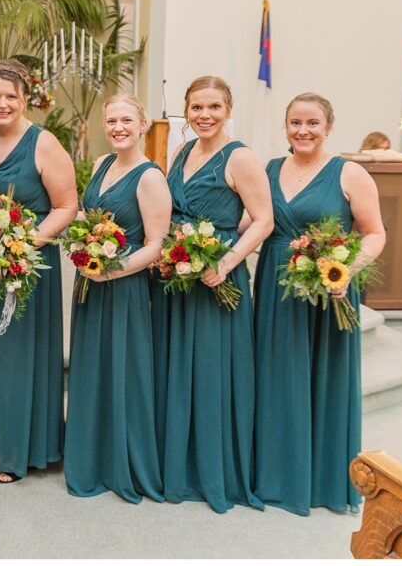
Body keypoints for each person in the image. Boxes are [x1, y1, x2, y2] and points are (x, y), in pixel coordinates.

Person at [252, 93, 385, 515]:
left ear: (328, 126)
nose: (303, 131)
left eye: (312, 123)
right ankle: (274, 476)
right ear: (285, 126)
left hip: (330, 292)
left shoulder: (350, 173)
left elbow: (375, 234)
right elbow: (252, 222)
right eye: (295, 122)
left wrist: (346, 270)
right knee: (275, 378)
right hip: (276, 287)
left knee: (322, 380)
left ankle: (321, 480)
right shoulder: (269, 169)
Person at [159, 76, 273, 514]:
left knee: (210, 372)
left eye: (214, 107)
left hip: (216, 278)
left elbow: (262, 220)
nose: (204, 115)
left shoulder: (240, 157)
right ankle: (177, 466)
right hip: (180, 277)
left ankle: (212, 470)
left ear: (229, 110)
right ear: (186, 111)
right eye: (196, 108)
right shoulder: (183, 151)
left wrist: (223, 262)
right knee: (178, 370)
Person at [0, 59, 77, 484]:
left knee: (16, 358)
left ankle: (14, 452)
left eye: (11, 96)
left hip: (26, 266)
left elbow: (66, 206)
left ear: (25, 99)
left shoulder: (43, 143)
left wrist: (23, 246)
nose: (3, 103)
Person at [63, 94, 171, 502]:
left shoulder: (149, 177)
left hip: (123, 287)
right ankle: (90, 457)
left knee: (123, 371)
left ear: (143, 124)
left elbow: (156, 244)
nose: (118, 127)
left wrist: (111, 269)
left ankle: (121, 463)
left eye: (127, 119)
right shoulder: (103, 165)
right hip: (92, 283)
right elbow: (90, 217)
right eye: (111, 121)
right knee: (92, 370)